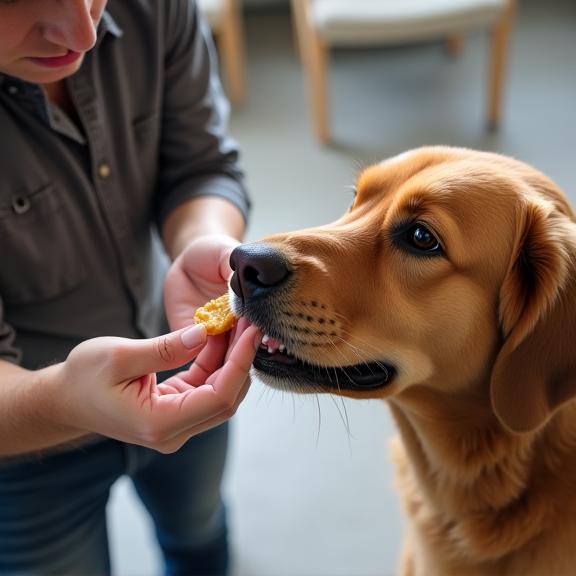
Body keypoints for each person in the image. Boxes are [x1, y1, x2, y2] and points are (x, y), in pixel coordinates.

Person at [0, 0, 260, 573]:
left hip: (184, 373)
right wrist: (65, 398)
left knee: (198, 532)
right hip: (21, 457)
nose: (83, 32)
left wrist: (204, 240)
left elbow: (201, 165)